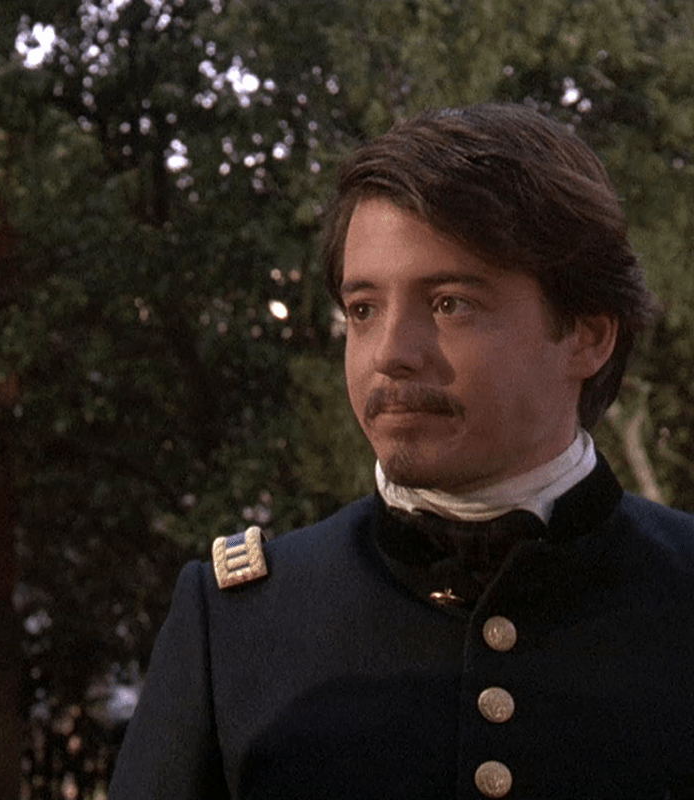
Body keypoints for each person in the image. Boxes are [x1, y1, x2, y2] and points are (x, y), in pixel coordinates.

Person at [108, 103, 694, 799]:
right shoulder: (236, 622)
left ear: (588, 335)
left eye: (450, 304)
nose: (390, 354)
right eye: (363, 309)